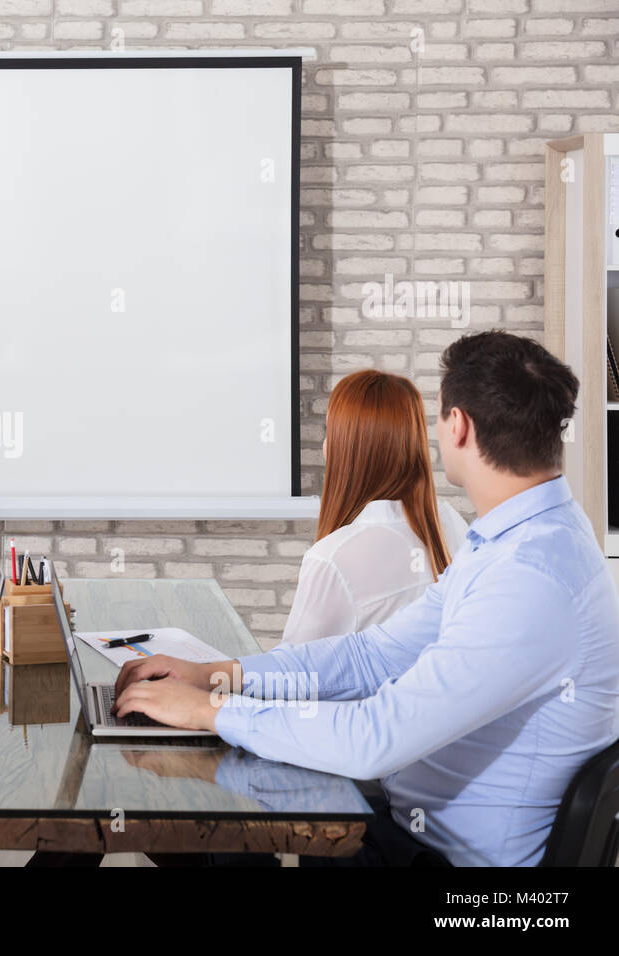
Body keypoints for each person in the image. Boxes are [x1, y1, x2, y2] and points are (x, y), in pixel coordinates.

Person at [114, 330, 619, 866]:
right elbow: (372, 655)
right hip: (405, 832)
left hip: (454, 876)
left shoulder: (528, 577)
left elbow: (379, 735)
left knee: (204, 833)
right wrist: (218, 676)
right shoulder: (518, 540)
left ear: (458, 426)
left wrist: (211, 711)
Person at [278, 369, 468, 647]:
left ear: (344, 450)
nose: (324, 445)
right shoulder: (451, 522)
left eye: (330, 433)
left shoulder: (330, 559)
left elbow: (291, 677)